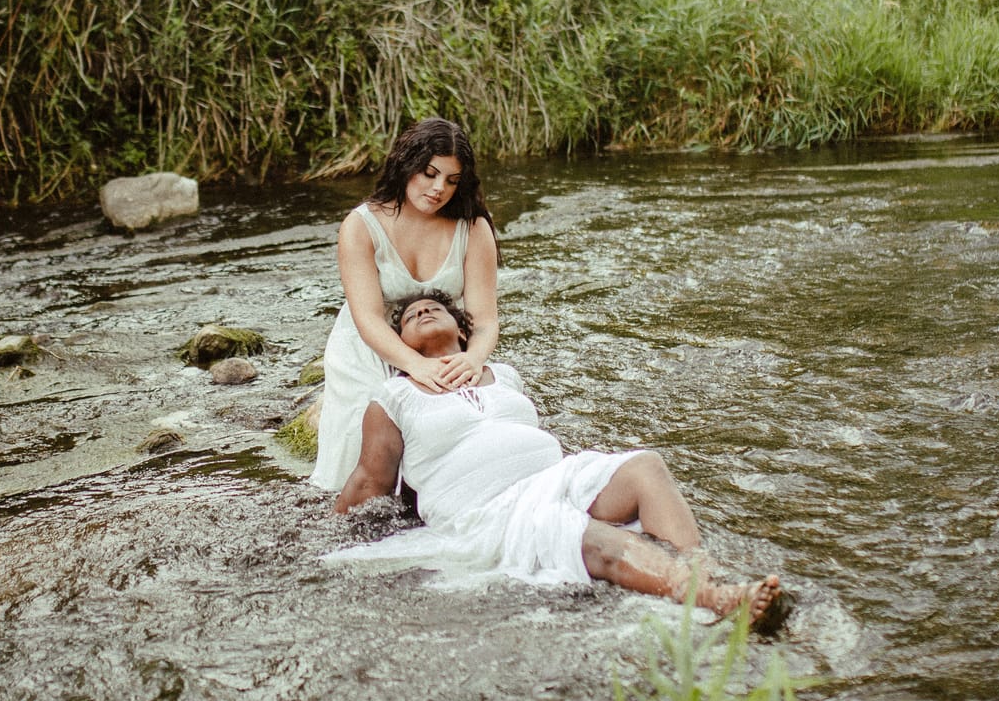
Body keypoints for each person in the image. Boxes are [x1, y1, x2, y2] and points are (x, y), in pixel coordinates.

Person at [327, 291, 784, 624]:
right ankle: (713, 599)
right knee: (589, 537)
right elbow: (371, 479)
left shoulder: (502, 374)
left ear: (463, 330)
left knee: (645, 466)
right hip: (488, 508)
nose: (423, 311)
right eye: (410, 316)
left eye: (435, 308)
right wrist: (325, 531)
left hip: (553, 475)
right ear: (400, 341)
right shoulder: (394, 394)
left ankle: (709, 572)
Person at [309, 118, 500, 491]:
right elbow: (367, 319)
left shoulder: (472, 228)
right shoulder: (361, 225)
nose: (438, 188)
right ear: (406, 164)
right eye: (429, 173)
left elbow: (485, 319)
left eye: (451, 180)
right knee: (367, 459)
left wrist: (472, 360)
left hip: (435, 346)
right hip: (367, 349)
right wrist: (414, 368)